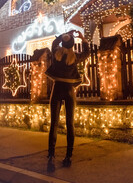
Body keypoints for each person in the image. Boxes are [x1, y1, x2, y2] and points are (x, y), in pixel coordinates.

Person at [45, 30, 89, 168]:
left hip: (57, 89)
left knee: (54, 124)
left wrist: (64, 34)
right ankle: (68, 157)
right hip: (70, 90)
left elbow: (53, 43)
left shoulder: (56, 55)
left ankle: (51, 157)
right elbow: (87, 53)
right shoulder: (75, 57)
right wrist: (83, 38)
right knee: (70, 124)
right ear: (72, 45)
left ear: (63, 43)